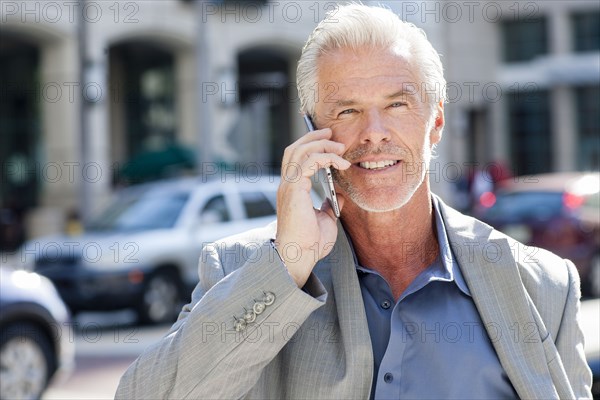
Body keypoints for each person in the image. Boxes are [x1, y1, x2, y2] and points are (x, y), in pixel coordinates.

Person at [116, 4, 592, 399]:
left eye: (397, 104)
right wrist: (289, 264)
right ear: (312, 132)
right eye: (347, 111)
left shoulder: (542, 287)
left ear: (437, 122)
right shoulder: (240, 269)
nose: (374, 134)